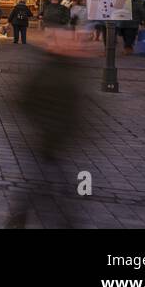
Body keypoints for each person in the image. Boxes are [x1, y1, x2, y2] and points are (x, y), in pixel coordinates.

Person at [5, 24, 95, 228]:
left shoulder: (70, 67)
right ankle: (63, 222)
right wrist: (45, 127)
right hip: (47, 141)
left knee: (42, 183)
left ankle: (20, 219)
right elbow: (23, 100)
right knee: (51, 185)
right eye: (68, 42)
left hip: (58, 142)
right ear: (55, 46)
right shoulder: (48, 71)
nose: (76, 45)